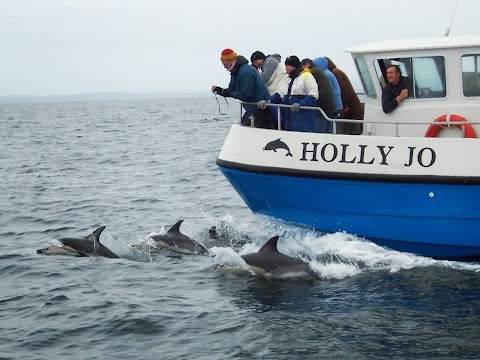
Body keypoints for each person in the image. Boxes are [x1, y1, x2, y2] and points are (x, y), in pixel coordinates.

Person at [211, 48, 272, 129]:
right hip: (253, 108)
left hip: (261, 108)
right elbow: (231, 90)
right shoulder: (235, 71)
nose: (224, 67)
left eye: (225, 64)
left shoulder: (245, 72)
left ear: (232, 60)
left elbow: (246, 94)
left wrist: (229, 93)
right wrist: (220, 90)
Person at [268, 56, 318, 132]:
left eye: (288, 66)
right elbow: (280, 94)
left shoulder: (307, 77)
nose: (285, 68)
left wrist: (301, 104)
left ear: (294, 66)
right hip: (289, 119)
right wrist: (268, 101)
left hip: (303, 120)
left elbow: (314, 95)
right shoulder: (287, 78)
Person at [325, 57, 364, 135]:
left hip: (350, 109)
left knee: (352, 133)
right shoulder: (337, 72)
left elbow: (342, 89)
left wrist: (343, 105)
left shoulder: (336, 73)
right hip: (353, 109)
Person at [301, 58, 336, 133]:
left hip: (321, 106)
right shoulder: (319, 71)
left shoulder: (312, 72)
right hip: (330, 105)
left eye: (303, 67)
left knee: (320, 132)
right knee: (329, 132)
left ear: (307, 64)